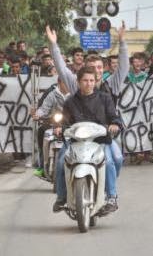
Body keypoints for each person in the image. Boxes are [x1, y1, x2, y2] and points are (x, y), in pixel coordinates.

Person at [54, 66, 122, 214]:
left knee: (109, 161)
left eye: (91, 80)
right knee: (60, 163)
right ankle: (61, 197)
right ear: (78, 82)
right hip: (75, 141)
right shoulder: (70, 101)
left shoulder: (105, 98)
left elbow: (113, 116)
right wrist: (59, 128)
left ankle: (111, 197)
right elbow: (64, 121)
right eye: (85, 80)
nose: (89, 83)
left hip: (100, 140)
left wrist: (115, 124)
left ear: (96, 81)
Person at [31, 78, 69, 177]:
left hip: (68, 124)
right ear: (59, 82)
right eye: (65, 83)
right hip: (52, 122)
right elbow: (44, 109)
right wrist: (37, 114)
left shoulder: (74, 95)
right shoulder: (52, 95)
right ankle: (42, 165)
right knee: (41, 132)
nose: (67, 85)